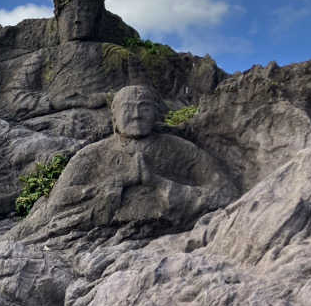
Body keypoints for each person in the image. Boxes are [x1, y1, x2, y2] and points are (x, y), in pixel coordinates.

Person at [20, 85, 237, 244]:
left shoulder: (182, 150)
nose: (135, 115)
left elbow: (225, 192)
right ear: (114, 117)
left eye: (144, 108)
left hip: (172, 237)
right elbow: (58, 202)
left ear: (157, 114)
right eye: (128, 108)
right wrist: (117, 182)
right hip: (95, 240)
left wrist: (159, 183)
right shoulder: (92, 155)